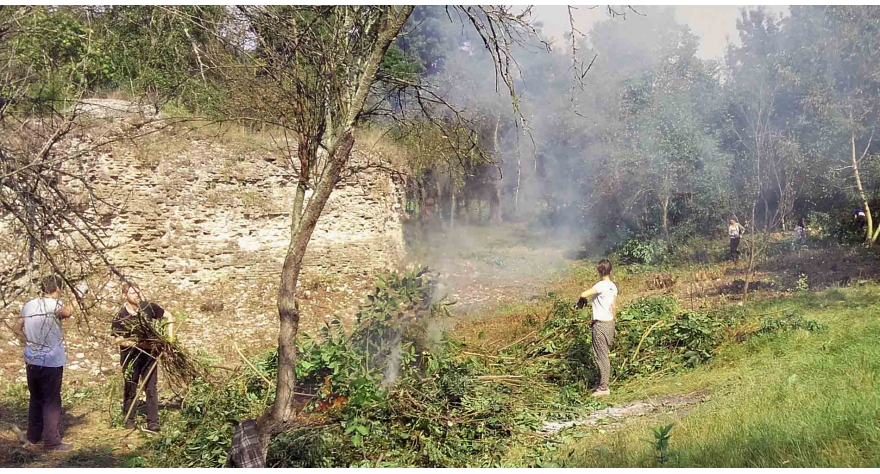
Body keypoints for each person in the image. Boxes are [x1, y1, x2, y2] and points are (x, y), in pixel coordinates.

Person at [13, 275, 74, 451]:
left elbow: (17, 328)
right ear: (58, 289)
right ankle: (52, 441)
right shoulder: (54, 304)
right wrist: (78, 296)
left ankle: (33, 435)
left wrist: (28, 343)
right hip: (51, 361)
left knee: (36, 397)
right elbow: (67, 313)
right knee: (51, 401)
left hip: (32, 359)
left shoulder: (29, 305)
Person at [111, 282, 173, 432]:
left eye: (138, 292)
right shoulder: (120, 316)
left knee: (151, 388)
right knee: (130, 386)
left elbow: (169, 316)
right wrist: (137, 344)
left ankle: (153, 422)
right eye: (133, 293)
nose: (137, 295)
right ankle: (129, 419)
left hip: (150, 356)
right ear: (125, 295)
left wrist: (169, 339)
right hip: (130, 357)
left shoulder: (148, 307)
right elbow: (117, 339)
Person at [578, 259, 618, 397]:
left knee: (601, 356)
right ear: (610, 270)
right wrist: (612, 321)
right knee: (604, 354)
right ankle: (603, 382)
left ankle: (604, 388)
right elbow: (614, 306)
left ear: (599, 271)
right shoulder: (613, 286)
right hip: (610, 323)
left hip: (600, 325)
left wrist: (582, 300)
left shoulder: (601, 285)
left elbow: (583, 294)